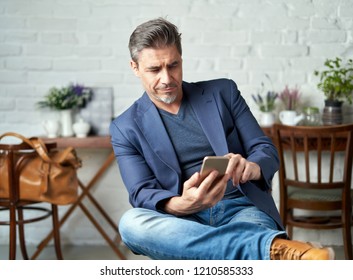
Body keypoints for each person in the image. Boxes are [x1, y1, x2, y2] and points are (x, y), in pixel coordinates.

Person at [109, 17, 334, 260]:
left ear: (181, 60)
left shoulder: (222, 93)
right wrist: (182, 204)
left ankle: (257, 247)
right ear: (135, 67)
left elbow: (264, 149)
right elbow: (141, 192)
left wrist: (251, 166)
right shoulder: (125, 127)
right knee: (131, 224)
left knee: (247, 232)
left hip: (241, 208)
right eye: (154, 69)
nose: (166, 78)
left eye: (173, 65)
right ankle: (274, 249)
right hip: (181, 221)